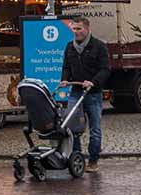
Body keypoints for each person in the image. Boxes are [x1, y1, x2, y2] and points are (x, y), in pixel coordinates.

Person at [59, 17, 110, 173]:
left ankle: (93, 160)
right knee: (73, 127)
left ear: (87, 29)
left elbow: (105, 70)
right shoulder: (70, 47)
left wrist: (93, 81)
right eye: (74, 29)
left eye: (79, 29)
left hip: (93, 93)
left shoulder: (99, 47)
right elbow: (66, 67)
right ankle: (77, 158)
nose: (76, 32)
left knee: (94, 128)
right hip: (75, 92)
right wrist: (65, 80)